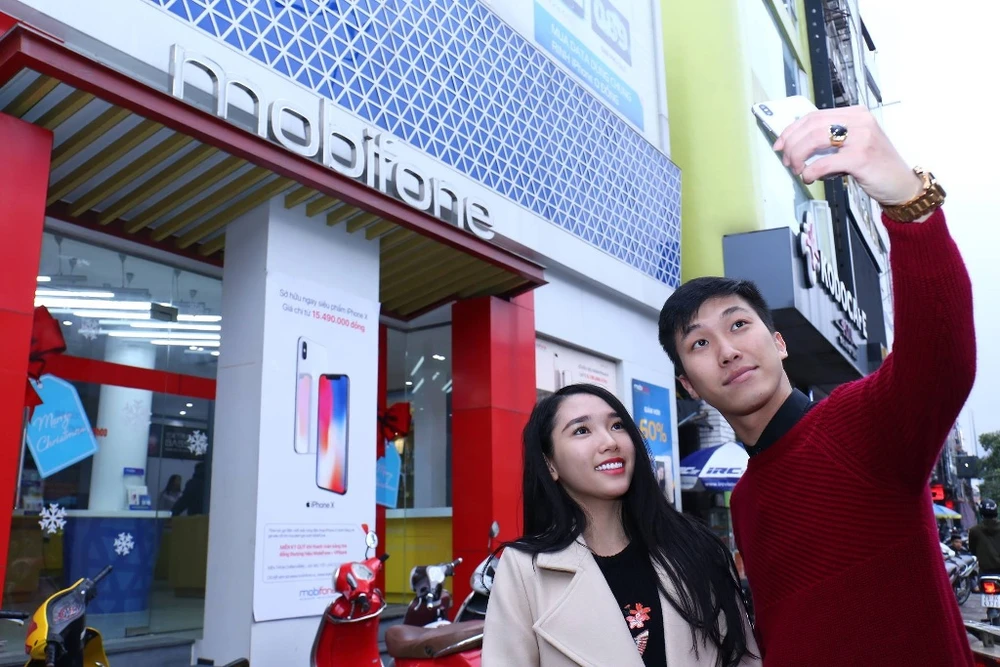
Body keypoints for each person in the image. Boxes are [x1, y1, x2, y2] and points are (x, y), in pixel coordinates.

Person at [657, 106, 974, 665]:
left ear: (779, 343)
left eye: (738, 325)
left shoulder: (859, 423)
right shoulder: (746, 497)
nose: (727, 349)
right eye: (700, 343)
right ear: (689, 386)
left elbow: (941, 356)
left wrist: (908, 201)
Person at [482, 384, 759, 667]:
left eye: (617, 425)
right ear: (550, 464)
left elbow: (743, 657)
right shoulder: (525, 570)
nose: (609, 442)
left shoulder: (697, 548)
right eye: (582, 430)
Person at [970, 500, 1000, 623]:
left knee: (990, 601)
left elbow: (972, 550)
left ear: (981, 513)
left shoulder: (974, 531)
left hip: (986, 572)